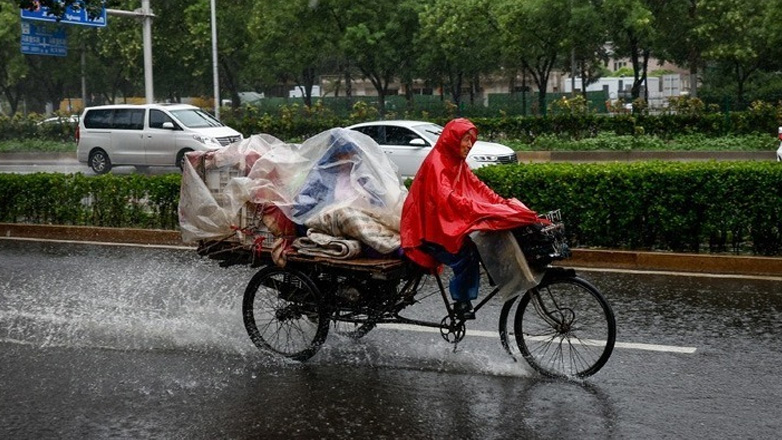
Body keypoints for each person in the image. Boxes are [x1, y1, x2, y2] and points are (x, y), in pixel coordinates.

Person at [400, 118, 542, 319]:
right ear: (453, 139)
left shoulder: (457, 163)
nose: (469, 145)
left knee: (479, 244)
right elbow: (449, 199)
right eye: (465, 140)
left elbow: (479, 188)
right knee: (465, 254)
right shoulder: (437, 163)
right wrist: (487, 210)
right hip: (427, 231)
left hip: (442, 226)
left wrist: (502, 204)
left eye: (471, 141)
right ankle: (461, 302)